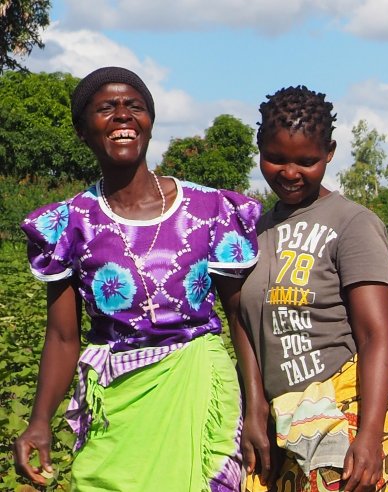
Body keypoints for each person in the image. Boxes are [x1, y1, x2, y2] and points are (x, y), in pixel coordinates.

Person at [12, 66, 258, 490]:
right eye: (106, 108)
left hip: (198, 394)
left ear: (149, 122)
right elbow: (63, 338)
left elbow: (240, 315)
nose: (123, 116)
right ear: (82, 130)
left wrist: (257, 406)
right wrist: (38, 422)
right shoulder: (72, 222)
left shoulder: (209, 209)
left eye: (135, 107)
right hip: (118, 408)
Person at [236, 86, 388, 492]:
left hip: (342, 403)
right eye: (275, 158)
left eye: (306, 161)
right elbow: (243, 323)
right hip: (278, 412)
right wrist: (255, 409)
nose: (289, 173)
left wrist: (368, 436)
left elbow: (375, 335)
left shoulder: (352, 223)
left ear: (329, 152)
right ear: (259, 149)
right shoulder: (250, 228)